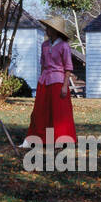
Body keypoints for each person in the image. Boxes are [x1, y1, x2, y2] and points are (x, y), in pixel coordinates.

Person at [24, 15, 77, 148]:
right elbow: (43, 64)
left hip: (58, 81)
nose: (46, 29)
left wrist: (65, 86)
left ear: (55, 30)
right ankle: (40, 138)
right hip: (44, 81)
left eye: (49, 28)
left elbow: (68, 67)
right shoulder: (44, 45)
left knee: (60, 112)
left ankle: (62, 138)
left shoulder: (64, 46)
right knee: (41, 111)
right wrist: (40, 81)